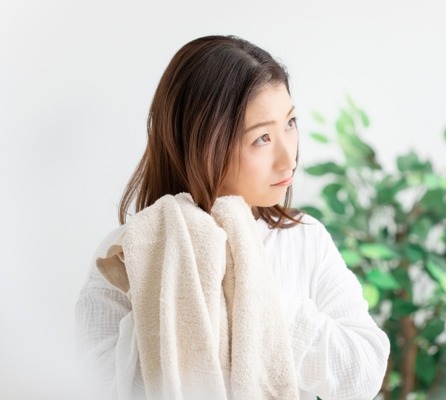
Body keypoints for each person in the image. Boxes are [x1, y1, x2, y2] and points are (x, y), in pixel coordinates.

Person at [74, 35, 390, 400]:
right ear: (203, 144)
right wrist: (182, 281)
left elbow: (363, 372)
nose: (289, 158)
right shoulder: (128, 251)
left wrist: (250, 292)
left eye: (290, 123)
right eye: (262, 138)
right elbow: (95, 384)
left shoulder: (305, 239)